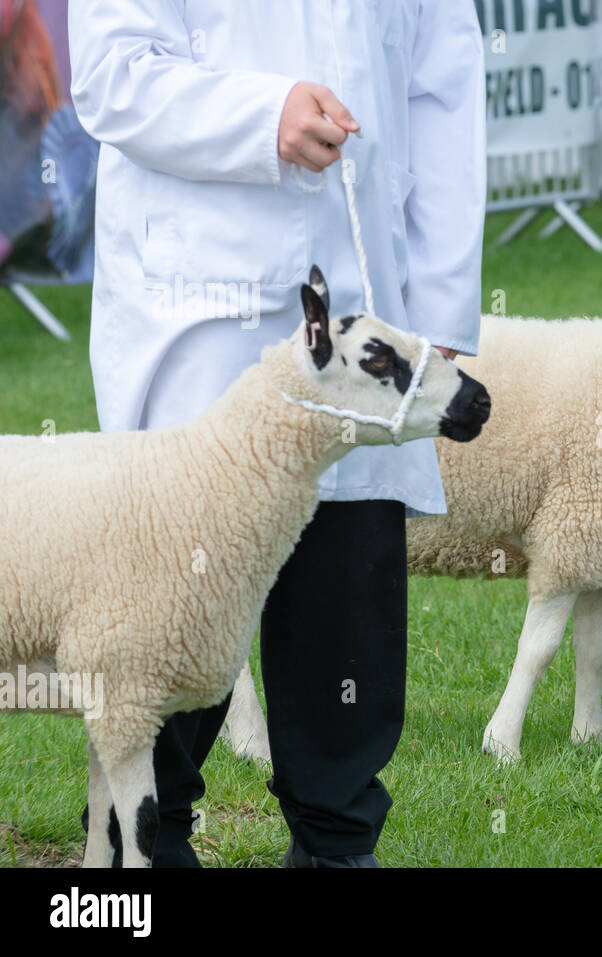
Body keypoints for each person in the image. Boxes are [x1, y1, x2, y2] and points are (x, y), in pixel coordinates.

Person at [68, 0, 485, 865]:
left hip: (363, 284)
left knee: (347, 607)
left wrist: (441, 301)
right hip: (200, 305)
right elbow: (111, 74)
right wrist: (265, 115)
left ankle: (337, 848)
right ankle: (139, 852)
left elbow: (443, 83)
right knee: (173, 616)